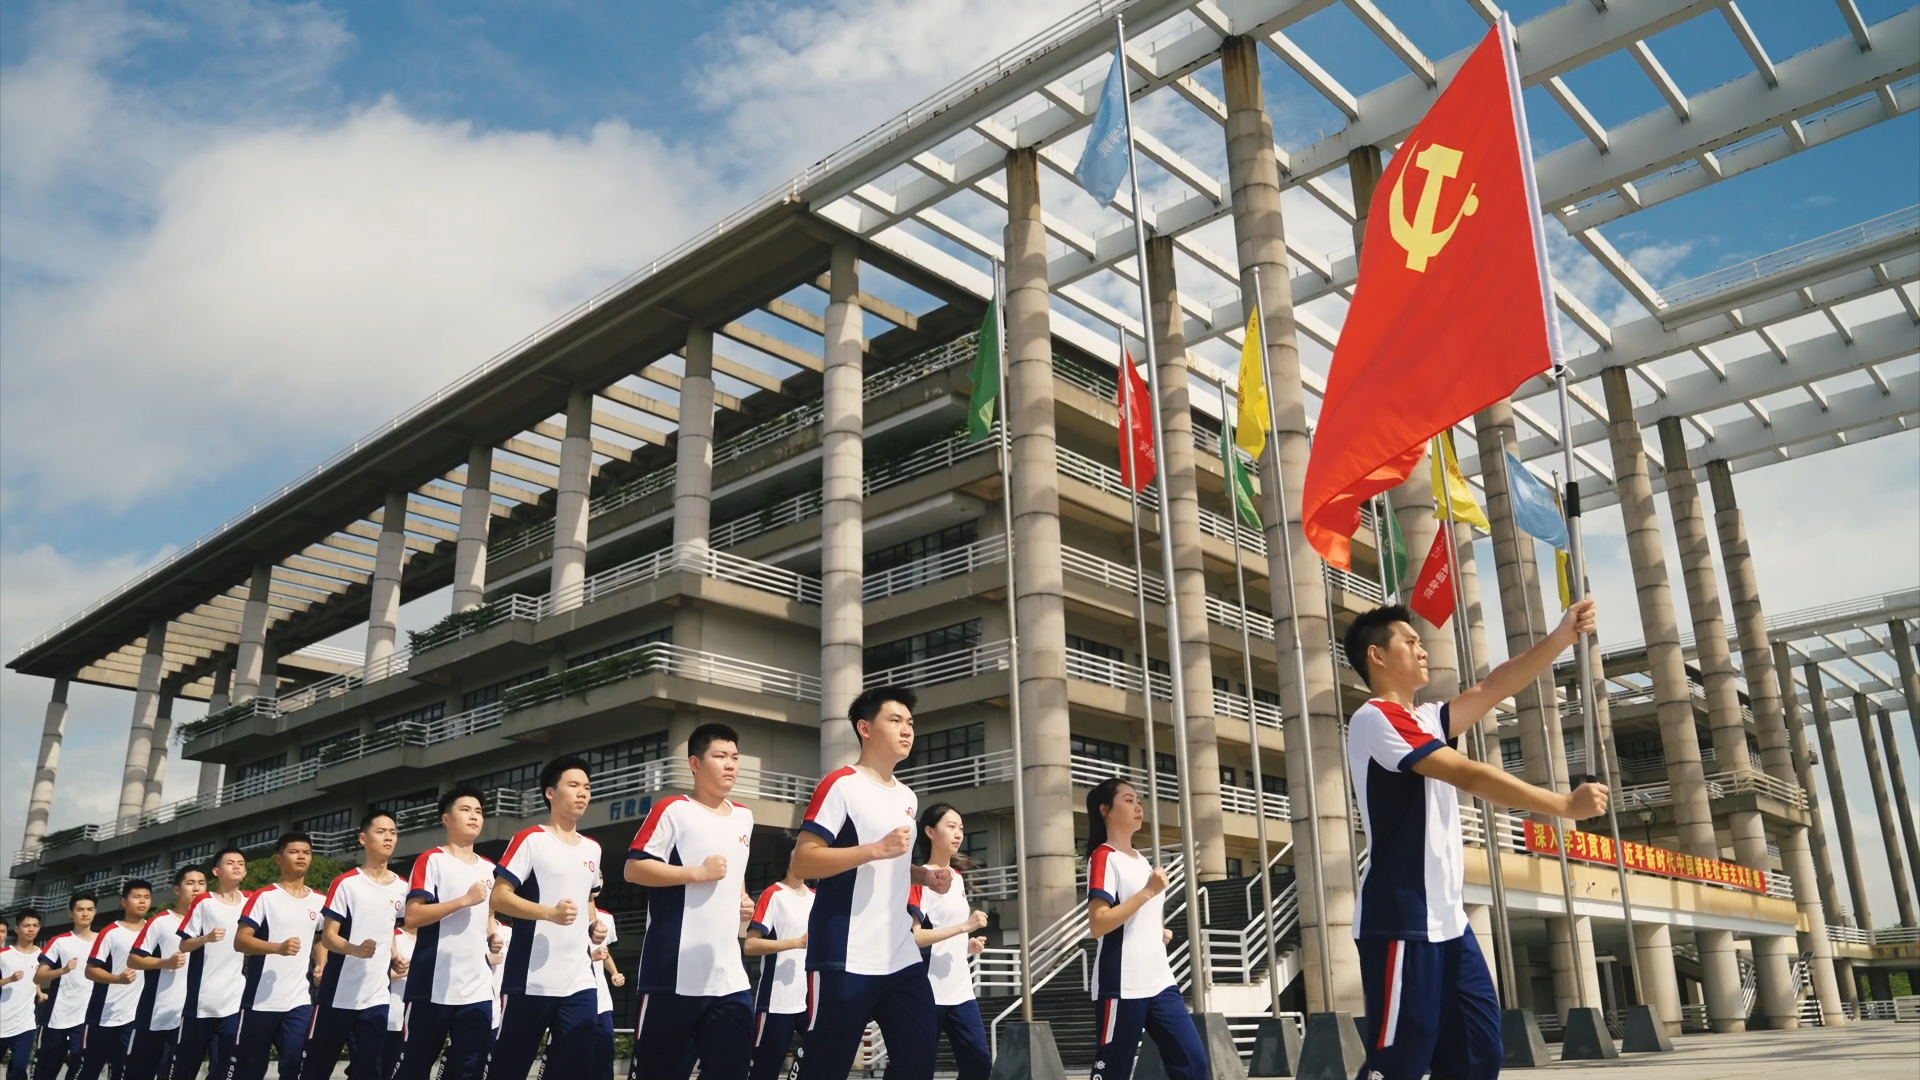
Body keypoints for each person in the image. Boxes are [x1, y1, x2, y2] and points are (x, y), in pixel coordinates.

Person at [1342, 600, 1610, 1080]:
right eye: (1410, 642)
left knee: (1477, 1055)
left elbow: (1492, 687)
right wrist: (1563, 806)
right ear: (1377, 656)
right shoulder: (1376, 718)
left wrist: (1561, 638)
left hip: (1448, 922)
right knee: (1399, 1065)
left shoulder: (1427, 718)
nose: (1423, 650)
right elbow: (1467, 774)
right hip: (1402, 921)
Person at [790, 687, 951, 1080]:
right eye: (895, 721)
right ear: (865, 728)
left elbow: (889, 864)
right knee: (825, 1067)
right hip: (845, 954)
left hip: (900, 954)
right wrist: (874, 849)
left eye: (910, 723)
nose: (907, 730)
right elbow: (803, 860)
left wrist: (923, 875)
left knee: (918, 1061)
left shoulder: (907, 796)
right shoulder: (840, 785)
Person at [624, 723, 756, 1080]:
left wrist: (742, 898)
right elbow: (634, 868)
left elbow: (735, 871)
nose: (730, 765)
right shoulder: (673, 810)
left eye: (735, 757)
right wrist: (697, 873)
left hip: (729, 977)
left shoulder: (744, 816)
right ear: (695, 764)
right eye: (720, 756)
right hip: (672, 974)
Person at [489, 757, 605, 1080]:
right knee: (510, 1067)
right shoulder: (531, 840)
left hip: (579, 979)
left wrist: (593, 926)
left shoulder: (593, 849)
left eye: (587, 787)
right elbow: (499, 897)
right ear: (551, 793)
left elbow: (588, 897)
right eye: (574, 785)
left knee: (576, 1066)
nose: (582, 793)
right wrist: (549, 913)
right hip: (532, 978)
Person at [1083, 780, 1205, 1080]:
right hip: (1122, 981)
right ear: (1105, 810)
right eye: (1128, 800)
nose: (1138, 806)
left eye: (1138, 800)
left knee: (1193, 1062)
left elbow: (1134, 914)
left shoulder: (1141, 860)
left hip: (1159, 979)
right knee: (1113, 1071)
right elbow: (1098, 923)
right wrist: (1149, 892)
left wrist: (1155, 931)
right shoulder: (1104, 857)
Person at [395, 789, 496, 1080]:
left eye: (478, 811)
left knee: (470, 1068)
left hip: (477, 987)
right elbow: (413, 915)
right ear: (446, 819)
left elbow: (488, 916)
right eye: (465, 810)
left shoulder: (490, 868)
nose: (474, 816)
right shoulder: (432, 860)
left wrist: (492, 935)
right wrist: (463, 901)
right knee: (415, 1066)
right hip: (434, 984)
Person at [301, 812, 408, 1080]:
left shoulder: (402, 888)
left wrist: (395, 955)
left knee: (370, 1069)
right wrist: (355, 950)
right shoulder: (346, 884)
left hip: (377, 996)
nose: (388, 837)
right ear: (363, 838)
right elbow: (328, 937)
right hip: (338, 994)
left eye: (393, 832)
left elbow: (388, 928)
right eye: (381, 832)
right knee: (317, 1068)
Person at [905, 805, 991, 1080]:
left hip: (960, 990)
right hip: (927, 991)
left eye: (961, 828)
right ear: (930, 832)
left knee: (979, 1064)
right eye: (951, 826)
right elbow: (917, 937)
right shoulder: (920, 878)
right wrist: (965, 927)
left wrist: (966, 945)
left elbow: (945, 933)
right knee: (916, 1069)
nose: (958, 834)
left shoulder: (959, 878)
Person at [232, 834, 327, 1080]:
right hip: (261, 1000)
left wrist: (322, 964)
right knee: (251, 1069)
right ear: (279, 858)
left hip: (299, 999)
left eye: (306, 852)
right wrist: (278, 948)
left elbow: (321, 938)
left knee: (295, 1064)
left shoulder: (320, 901)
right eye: (294, 852)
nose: (301, 857)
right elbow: (240, 940)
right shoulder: (265, 897)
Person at [171, 849, 250, 1080]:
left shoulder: (251, 900)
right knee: (186, 1066)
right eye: (230, 863)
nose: (236, 866)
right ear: (217, 871)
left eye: (240, 863)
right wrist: (206, 938)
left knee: (224, 1067)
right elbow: (184, 944)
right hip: (202, 1000)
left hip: (234, 999)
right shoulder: (205, 902)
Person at [125, 869, 206, 1080]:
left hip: (194, 1014)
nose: (196, 888)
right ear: (177, 889)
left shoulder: (211, 923)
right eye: (190, 883)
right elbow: (133, 959)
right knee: (138, 1073)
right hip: (157, 1013)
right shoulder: (160, 922)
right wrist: (165, 963)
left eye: (201, 883)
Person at [75, 879, 154, 1080]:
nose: (142, 901)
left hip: (138, 1016)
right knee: (90, 1069)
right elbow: (90, 971)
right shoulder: (110, 932)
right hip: (105, 1014)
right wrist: (118, 979)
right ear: (123, 901)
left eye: (146, 897)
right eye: (136, 897)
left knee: (124, 1070)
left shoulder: (155, 930)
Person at [743, 845, 809, 1080]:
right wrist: (796, 943)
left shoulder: (817, 897)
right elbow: (751, 945)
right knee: (764, 1070)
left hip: (809, 999)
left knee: (824, 1049)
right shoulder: (773, 894)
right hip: (776, 1002)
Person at [33, 894, 97, 1080]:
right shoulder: (60, 941)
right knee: (47, 1069)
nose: (85, 914)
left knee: (80, 1064)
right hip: (58, 1016)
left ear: (95, 912)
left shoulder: (103, 940)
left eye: (89, 909)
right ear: (71, 913)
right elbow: (39, 975)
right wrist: (63, 970)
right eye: (80, 909)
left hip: (87, 1017)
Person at [1, 913, 43, 1080]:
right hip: (2, 1020)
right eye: (26, 926)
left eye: (35, 925)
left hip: (25, 1023)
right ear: (17, 929)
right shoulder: (3, 955)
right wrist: (9, 979)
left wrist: (40, 992)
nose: (31, 929)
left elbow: (36, 979)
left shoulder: (42, 955)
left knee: (19, 1067)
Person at [585, 891, 621, 1080]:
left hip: (601, 999)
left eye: (599, 877)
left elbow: (604, 952)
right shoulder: (566, 914)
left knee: (605, 1053)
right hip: (574, 996)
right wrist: (591, 957)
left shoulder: (606, 918)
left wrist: (614, 973)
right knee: (573, 1055)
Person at [382, 926, 413, 1080]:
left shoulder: (429, 939)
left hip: (413, 1020)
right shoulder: (396, 936)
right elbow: (383, 974)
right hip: (392, 1017)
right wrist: (415, 971)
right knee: (383, 1069)